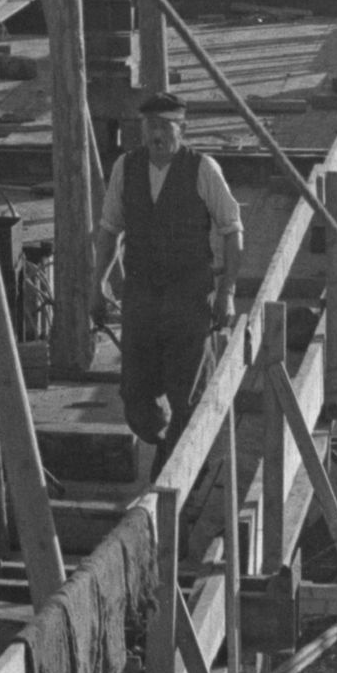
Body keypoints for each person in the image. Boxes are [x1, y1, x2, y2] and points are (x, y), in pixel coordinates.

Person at [96, 94, 243, 479]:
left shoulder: (202, 169)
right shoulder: (126, 168)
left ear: (183, 129)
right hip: (141, 297)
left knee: (186, 395)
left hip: (188, 297)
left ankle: (176, 479)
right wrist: (98, 284)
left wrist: (226, 293)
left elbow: (232, 232)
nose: (156, 135)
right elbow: (110, 230)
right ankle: (167, 442)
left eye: (165, 126)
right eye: (150, 126)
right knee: (135, 397)